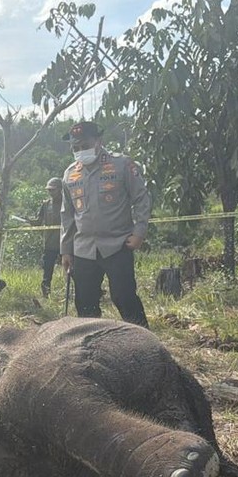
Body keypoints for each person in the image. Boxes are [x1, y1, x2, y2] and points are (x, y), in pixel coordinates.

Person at [59, 121, 150, 327]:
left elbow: (141, 199)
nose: (81, 151)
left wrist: (139, 232)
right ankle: (91, 348)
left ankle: (142, 344)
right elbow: (67, 215)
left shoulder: (122, 165)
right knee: (85, 304)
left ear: (99, 141)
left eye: (85, 146)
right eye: (76, 148)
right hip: (83, 249)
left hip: (118, 245)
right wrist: (66, 250)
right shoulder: (70, 174)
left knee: (124, 298)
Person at [30, 178, 63, 297]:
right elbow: (38, 221)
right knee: (47, 273)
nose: (50, 192)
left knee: (73, 272)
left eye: (53, 190)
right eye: (49, 190)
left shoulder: (67, 203)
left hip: (65, 243)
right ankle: (45, 296)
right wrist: (29, 221)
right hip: (50, 244)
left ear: (60, 189)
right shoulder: (45, 204)